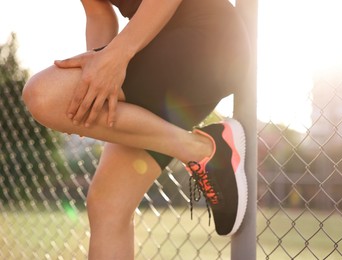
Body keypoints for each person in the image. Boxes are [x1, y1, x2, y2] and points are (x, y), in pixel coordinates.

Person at [22, 0, 251, 258]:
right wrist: (96, 91)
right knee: (108, 203)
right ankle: (208, 149)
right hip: (153, 51)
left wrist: (116, 57)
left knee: (43, 95)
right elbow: (98, 14)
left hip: (206, 39)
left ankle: (199, 150)